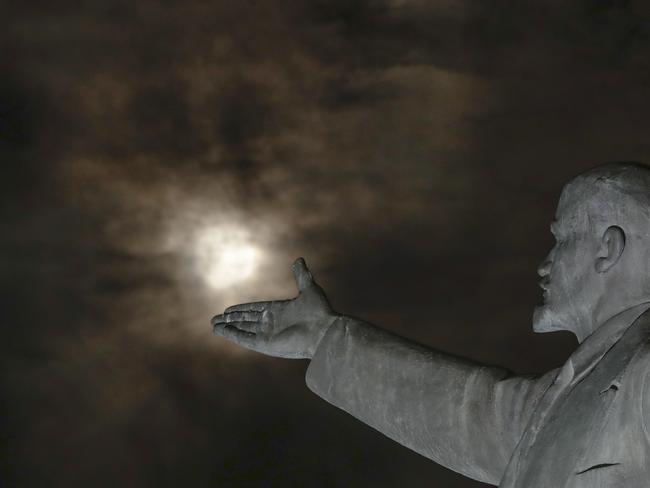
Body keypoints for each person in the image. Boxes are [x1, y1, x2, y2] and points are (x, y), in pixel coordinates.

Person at [212, 162, 650, 487]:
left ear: (607, 248)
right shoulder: (566, 396)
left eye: (560, 239)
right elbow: (467, 409)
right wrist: (325, 338)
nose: (543, 264)